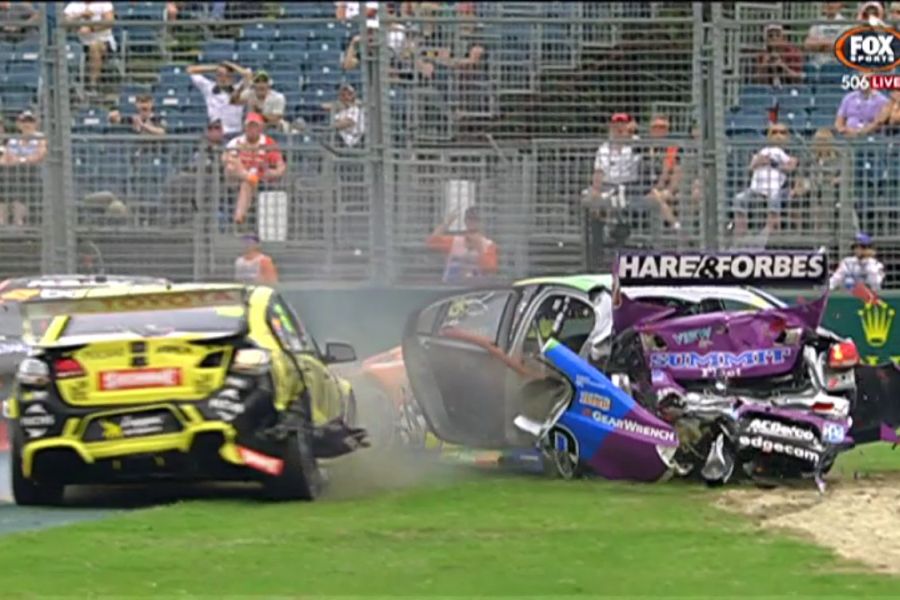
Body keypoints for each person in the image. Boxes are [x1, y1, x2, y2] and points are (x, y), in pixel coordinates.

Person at [732, 122, 797, 237]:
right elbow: (750, 168)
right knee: (739, 199)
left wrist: (773, 163)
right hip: (756, 189)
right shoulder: (761, 151)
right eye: (774, 132)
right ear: (768, 136)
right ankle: (741, 236)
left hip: (780, 189)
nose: (778, 136)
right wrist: (758, 162)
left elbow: (791, 167)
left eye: (782, 133)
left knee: (774, 199)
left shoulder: (792, 152)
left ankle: (768, 235)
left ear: (788, 136)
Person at [223, 112, 286, 225]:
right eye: (249, 126)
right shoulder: (237, 141)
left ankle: (239, 216)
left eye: (255, 126)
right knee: (231, 165)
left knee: (247, 183)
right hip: (235, 178)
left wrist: (272, 173)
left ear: (260, 128)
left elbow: (280, 167)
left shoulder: (268, 142)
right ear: (245, 127)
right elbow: (224, 158)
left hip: (260, 178)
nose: (252, 129)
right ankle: (248, 176)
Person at [426, 207, 498, 284]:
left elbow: (490, 270)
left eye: (476, 219)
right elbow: (431, 242)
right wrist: (446, 223)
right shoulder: (455, 241)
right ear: (465, 221)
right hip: (453, 288)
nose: (472, 222)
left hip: (475, 290)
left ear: (481, 222)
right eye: (469, 218)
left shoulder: (488, 245)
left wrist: (480, 248)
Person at [0, 110, 46, 226]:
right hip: (12, 174)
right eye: (24, 121)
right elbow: (4, 160)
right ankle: (2, 222)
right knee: (6, 178)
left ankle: (18, 222)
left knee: (18, 181)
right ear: (18, 124)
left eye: (30, 121)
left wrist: (20, 160)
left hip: (32, 174)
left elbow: (39, 155)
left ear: (36, 124)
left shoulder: (40, 139)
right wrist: (20, 160)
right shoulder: (13, 140)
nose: (27, 124)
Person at [63, 1, 116, 93]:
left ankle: (93, 85)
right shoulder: (73, 5)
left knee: (94, 46)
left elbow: (109, 21)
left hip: (103, 41)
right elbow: (63, 22)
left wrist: (91, 28)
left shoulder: (105, 3)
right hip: (79, 43)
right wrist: (80, 16)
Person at [187, 61, 250, 138]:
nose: (222, 78)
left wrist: (230, 65)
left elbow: (248, 74)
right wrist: (216, 68)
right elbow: (190, 70)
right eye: (219, 75)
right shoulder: (209, 87)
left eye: (226, 75)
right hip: (216, 133)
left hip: (236, 132)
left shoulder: (238, 89)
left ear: (231, 77)